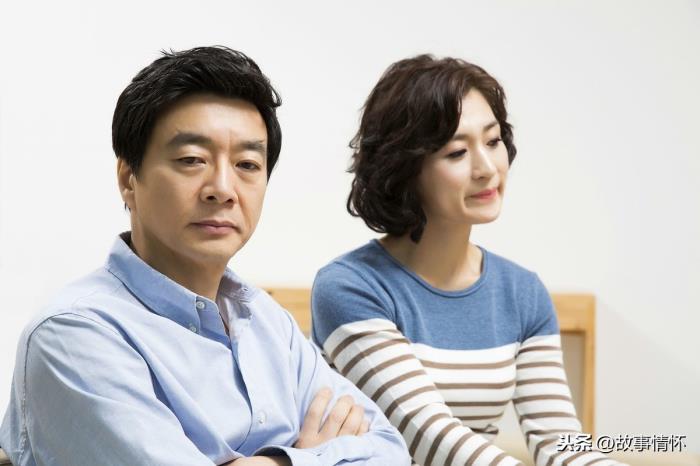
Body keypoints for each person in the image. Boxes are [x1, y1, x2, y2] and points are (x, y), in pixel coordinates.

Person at [0, 46, 410, 466]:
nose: (223, 189)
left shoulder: (269, 323)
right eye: (192, 160)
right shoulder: (75, 334)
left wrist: (275, 463)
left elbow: (389, 450)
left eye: (247, 164)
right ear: (128, 179)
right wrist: (311, 457)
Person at [311, 55, 624, 466]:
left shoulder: (522, 292)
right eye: (457, 152)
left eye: (493, 142)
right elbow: (431, 437)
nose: (487, 168)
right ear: (406, 169)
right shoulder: (350, 287)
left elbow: (560, 443)